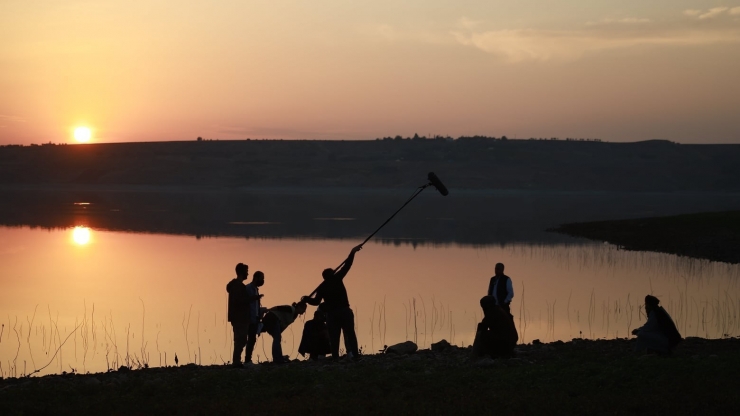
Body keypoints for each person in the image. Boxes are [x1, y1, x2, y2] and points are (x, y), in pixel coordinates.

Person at [303, 245, 363, 359]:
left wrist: (306, 299)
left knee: (334, 337)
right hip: (344, 311)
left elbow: (316, 302)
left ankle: (335, 358)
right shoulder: (337, 278)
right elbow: (348, 265)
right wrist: (353, 252)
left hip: (332, 314)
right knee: (350, 334)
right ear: (332, 274)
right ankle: (356, 356)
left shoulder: (322, 287)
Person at [226, 262, 250, 367]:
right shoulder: (237, 286)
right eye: (246, 272)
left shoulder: (237, 286)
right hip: (239, 317)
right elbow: (238, 301)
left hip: (238, 317)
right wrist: (250, 299)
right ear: (241, 273)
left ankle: (237, 360)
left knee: (240, 339)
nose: (247, 274)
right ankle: (236, 361)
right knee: (241, 339)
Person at [243, 271, 266, 365]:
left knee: (252, 339)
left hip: (255, 318)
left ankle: (248, 359)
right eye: (261, 278)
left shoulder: (256, 289)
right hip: (249, 318)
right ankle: (247, 360)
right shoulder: (248, 288)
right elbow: (245, 302)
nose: (263, 281)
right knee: (249, 339)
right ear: (256, 278)